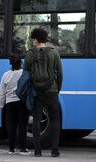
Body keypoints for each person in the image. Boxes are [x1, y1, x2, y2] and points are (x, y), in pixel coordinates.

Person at [23, 28, 63, 157]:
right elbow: (60, 73)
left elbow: (25, 75)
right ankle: (55, 150)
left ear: (35, 39)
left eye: (32, 40)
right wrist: (57, 88)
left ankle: (37, 151)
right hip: (51, 90)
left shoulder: (29, 53)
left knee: (36, 119)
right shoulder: (54, 53)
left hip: (36, 91)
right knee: (55, 119)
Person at [0, 55, 31, 155]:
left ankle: (11, 149)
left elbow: (2, 92)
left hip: (9, 103)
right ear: (20, 63)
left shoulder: (5, 75)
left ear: (11, 63)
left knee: (11, 126)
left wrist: (0, 105)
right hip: (21, 102)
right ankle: (22, 149)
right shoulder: (23, 74)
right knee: (22, 125)